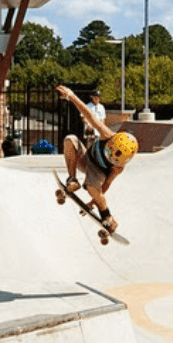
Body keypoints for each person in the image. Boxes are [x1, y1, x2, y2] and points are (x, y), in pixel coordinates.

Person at [57, 84, 137, 232]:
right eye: (109, 153)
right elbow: (89, 115)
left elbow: (106, 185)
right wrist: (71, 95)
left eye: (113, 159)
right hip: (86, 158)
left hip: (98, 173)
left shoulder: (119, 167)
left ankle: (108, 217)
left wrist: (93, 203)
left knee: (93, 188)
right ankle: (72, 179)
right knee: (70, 140)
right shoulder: (107, 134)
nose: (110, 158)